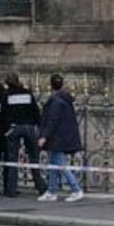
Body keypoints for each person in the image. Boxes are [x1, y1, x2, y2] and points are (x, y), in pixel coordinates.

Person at [38, 74, 84, 203]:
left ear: (50, 86)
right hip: (61, 136)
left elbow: (52, 121)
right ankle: (52, 190)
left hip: (58, 137)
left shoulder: (56, 102)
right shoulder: (64, 100)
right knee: (53, 164)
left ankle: (76, 189)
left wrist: (44, 136)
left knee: (61, 164)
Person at [3, 72, 47, 197]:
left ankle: (11, 189)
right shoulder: (27, 93)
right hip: (28, 126)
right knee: (33, 157)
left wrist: (6, 128)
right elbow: (35, 111)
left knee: (12, 159)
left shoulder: (7, 95)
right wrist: (38, 126)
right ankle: (40, 186)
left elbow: (4, 113)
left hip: (14, 127)